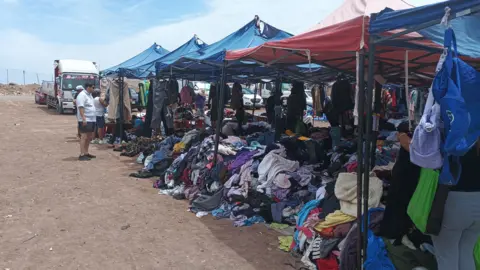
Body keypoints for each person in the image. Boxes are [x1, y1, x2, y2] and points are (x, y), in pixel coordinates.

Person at [398, 132, 480, 270]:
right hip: (477, 201)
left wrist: (404, 140)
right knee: (466, 253)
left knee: (447, 257)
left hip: (453, 201)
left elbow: (423, 154)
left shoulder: (451, 131)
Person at [76, 83, 97, 161]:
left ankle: (86, 153)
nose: (94, 89)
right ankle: (81, 154)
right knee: (84, 137)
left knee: (89, 137)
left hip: (91, 119)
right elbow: (81, 107)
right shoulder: (82, 95)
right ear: (88, 87)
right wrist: (83, 118)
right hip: (85, 119)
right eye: (93, 87)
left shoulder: (89, 95)